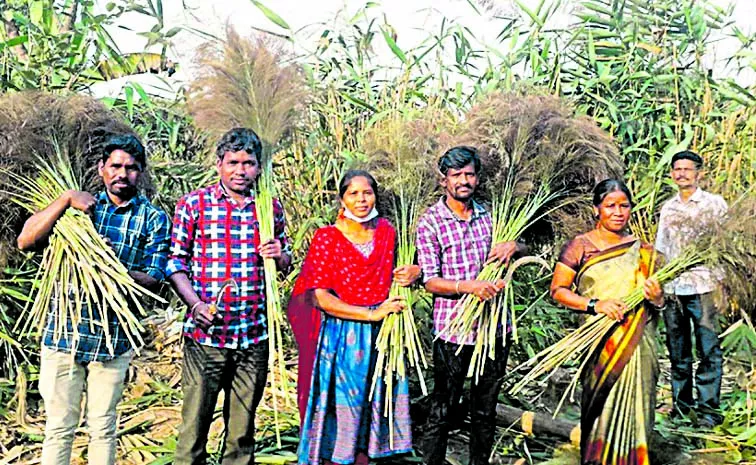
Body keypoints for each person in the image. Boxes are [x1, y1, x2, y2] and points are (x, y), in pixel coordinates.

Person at [16, 134, 171, 465]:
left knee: (103, 427)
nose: (122, 174)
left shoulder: (154, 219)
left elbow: (155, 278)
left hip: (113, 339)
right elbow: (25, 241)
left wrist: (110, 265)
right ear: (102, 169)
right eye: (115, 166)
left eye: (131, 168)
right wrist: (65, 199)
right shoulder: (77, 211)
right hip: (64, 334)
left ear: (141, 172)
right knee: (59, 428)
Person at [166, 127, 292, 465]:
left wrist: (279, 253)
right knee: (194, 426)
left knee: (241, 432)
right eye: (233, 162)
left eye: (249, 163)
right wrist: (195, 305)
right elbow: (175, 263)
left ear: (259, 168)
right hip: (207, 337)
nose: (241, 170)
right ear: (219, 164)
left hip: (254, 335)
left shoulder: (269, 208)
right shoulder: (195, 204)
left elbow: (286, 263)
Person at [292, 169, 419, 465]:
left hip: (384, 332)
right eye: (353, 193)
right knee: (346, 400)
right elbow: (321, 298)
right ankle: (340, 456)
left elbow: (407, 270)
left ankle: (373, 453)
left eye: (367, 193)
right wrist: (370, 314)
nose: (361, 199)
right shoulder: (327, 238)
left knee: (377, 396)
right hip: (344, 334)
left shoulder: (389, 231)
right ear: (342, 199)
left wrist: (415, 272)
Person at [416, 146, 526, 465]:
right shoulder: (430, 223)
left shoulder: (492, 216)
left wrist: (514, 246)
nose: (464, 181)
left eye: (470, 174)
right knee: (442, 410)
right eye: (456, 175)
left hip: (493, 330)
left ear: (477, 178)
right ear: (443, 180)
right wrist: (469, 287)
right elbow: (430, 281)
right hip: (453, 332)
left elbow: (527, 246)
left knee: (485, 411)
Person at [551, 179, 665, 465]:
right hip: (600, 341)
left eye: (624, 206)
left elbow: (662, 303)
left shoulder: (646, 252)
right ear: (596, 209)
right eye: (610, 205)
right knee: (600, 403)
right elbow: (558, 291)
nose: (618, 212)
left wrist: (658, 297)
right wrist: (596, 305)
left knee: (639, 404)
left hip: (638, 343)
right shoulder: (581, 246)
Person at [655, 150, 727, 427]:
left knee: (708, 349)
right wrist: (659, 282)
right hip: (674, 288)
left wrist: (722, 282)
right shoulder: (668, 208)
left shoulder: (714, 205)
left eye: (687, 169)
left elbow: (724, 246)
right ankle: (681, 408)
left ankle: (708, 411)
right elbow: (662, 249)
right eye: (677, 169)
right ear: (672, 174)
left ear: (699, 173)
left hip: (705, 285)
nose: (681, 173)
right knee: (678, 351)